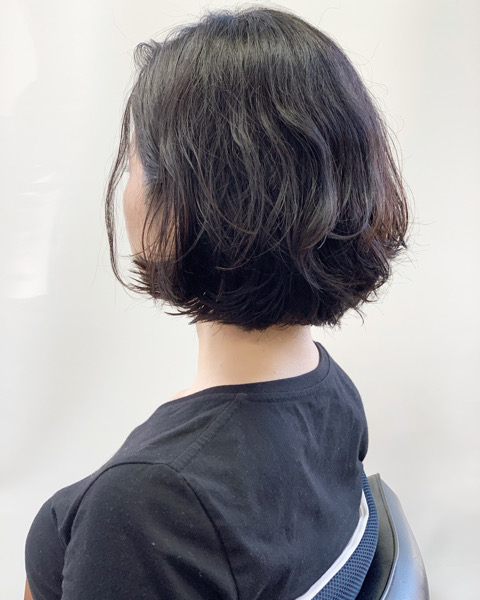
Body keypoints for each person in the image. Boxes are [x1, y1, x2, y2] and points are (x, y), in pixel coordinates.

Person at [24, 6, 409, 599]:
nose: (126, 186)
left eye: (135, 159)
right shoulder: (331, 395)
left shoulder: (149, 508)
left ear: (187, 196)